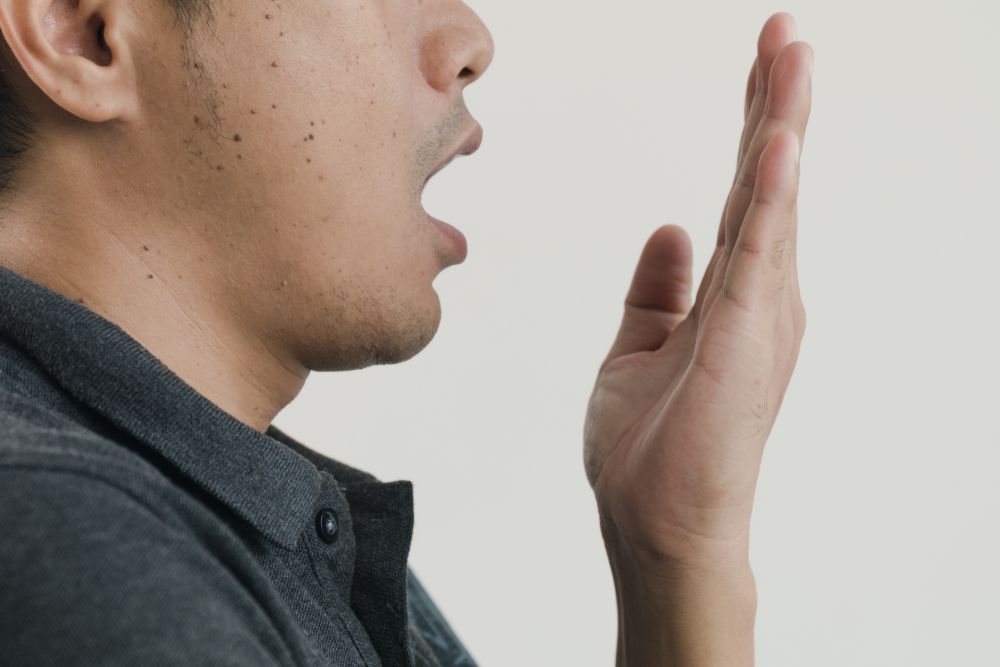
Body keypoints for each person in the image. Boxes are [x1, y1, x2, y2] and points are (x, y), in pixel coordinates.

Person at [0, 0, 812, 664]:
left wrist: (676, 560)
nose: (470, 40)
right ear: (83, 33)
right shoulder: (90, 548)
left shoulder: (237, 509)